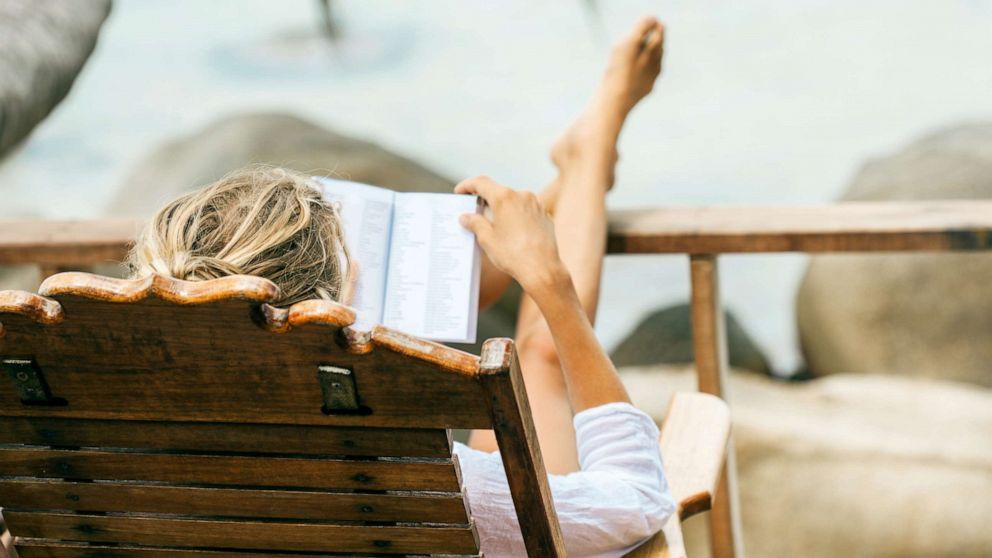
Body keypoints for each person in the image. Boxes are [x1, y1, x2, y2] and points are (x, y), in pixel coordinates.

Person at [127, 16, 673, 558]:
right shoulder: (428, 481)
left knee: (537, 370)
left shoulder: (111, 451)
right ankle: (588, 157)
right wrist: (552, 288)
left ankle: (580, 167)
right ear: (330, 304)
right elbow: (636, 500)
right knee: (542, 360)